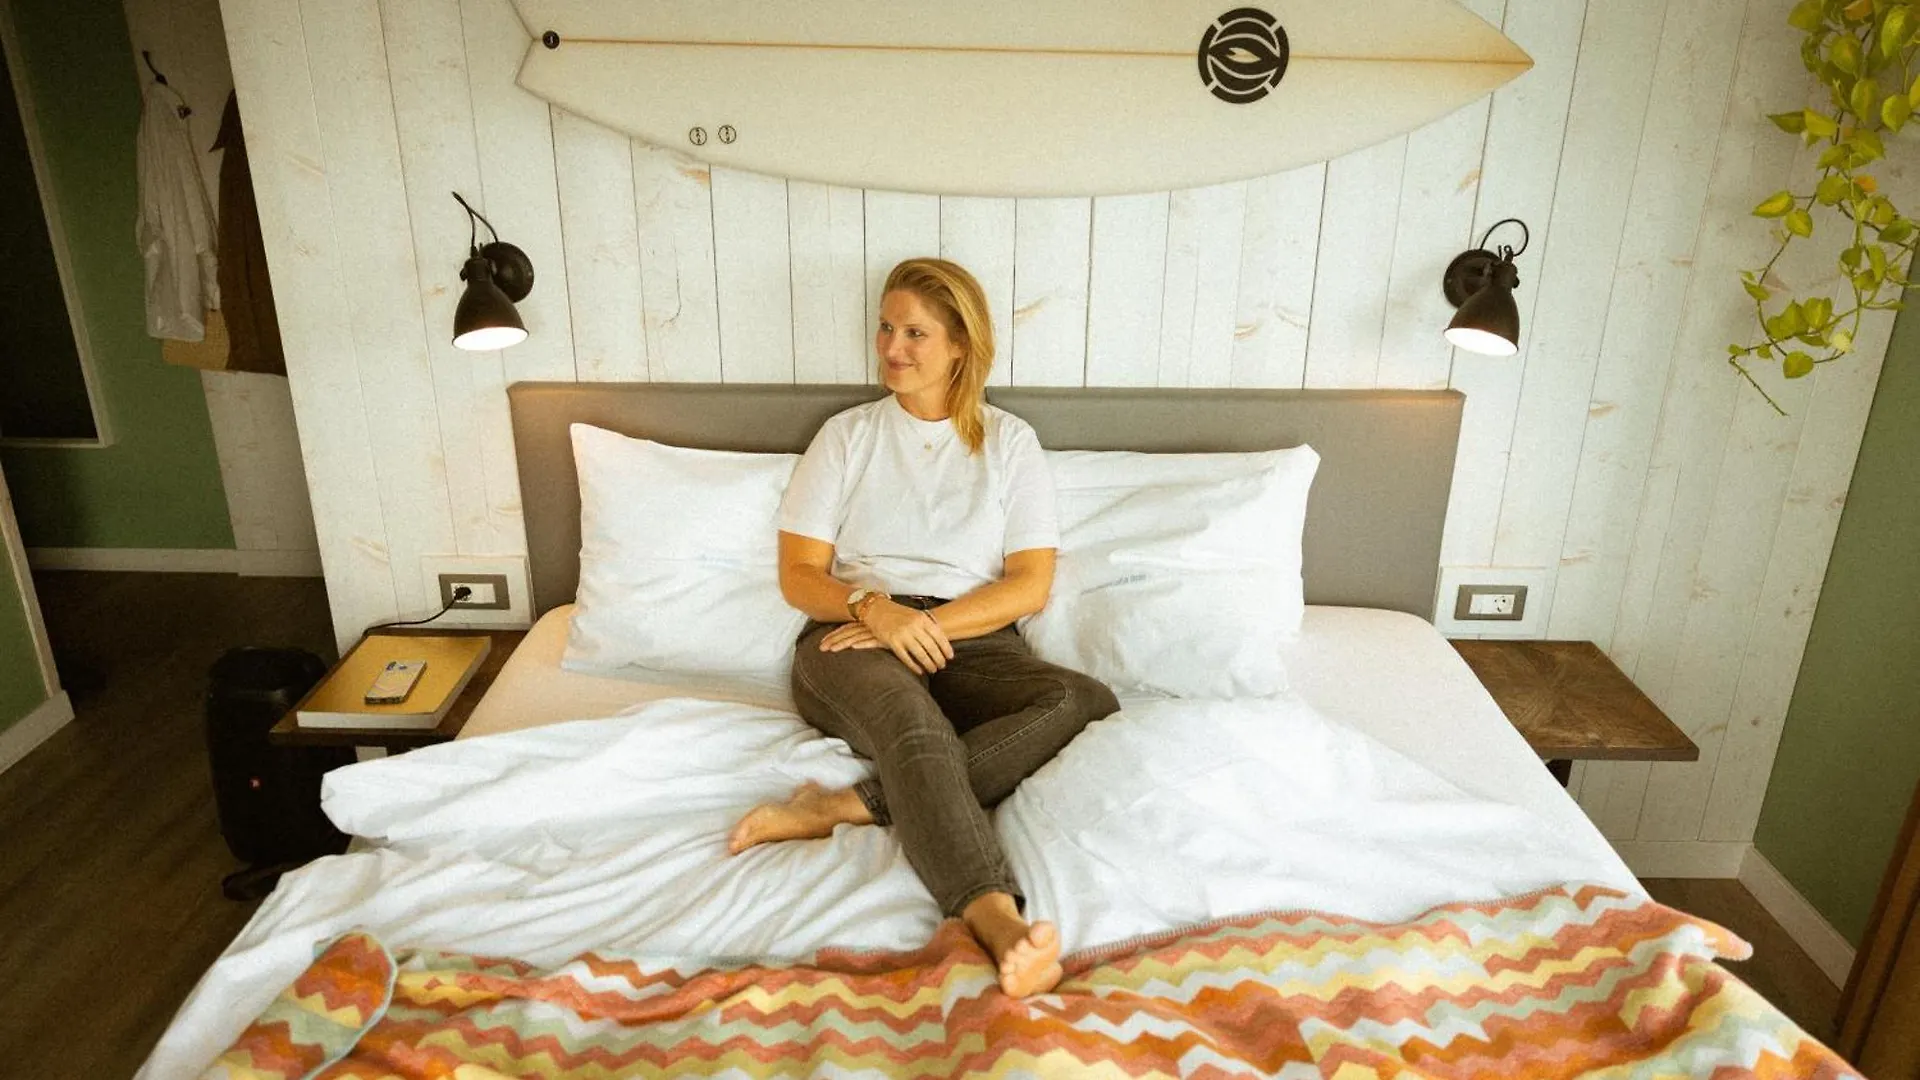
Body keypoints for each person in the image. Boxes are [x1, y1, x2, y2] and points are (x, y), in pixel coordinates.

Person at [726, 257, 1119, 998]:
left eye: (914, 333)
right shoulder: (847, 436)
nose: (891, 347)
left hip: (968, 634)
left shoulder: (1010, 443)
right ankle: (996, 918)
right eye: (885, 327)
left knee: (1082, 698)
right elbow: (799, 576)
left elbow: (1029, 584)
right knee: (917, 726)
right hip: (850, 634)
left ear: (961, 344)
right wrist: (876, 611)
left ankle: (848, 806)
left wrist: (922, 623)